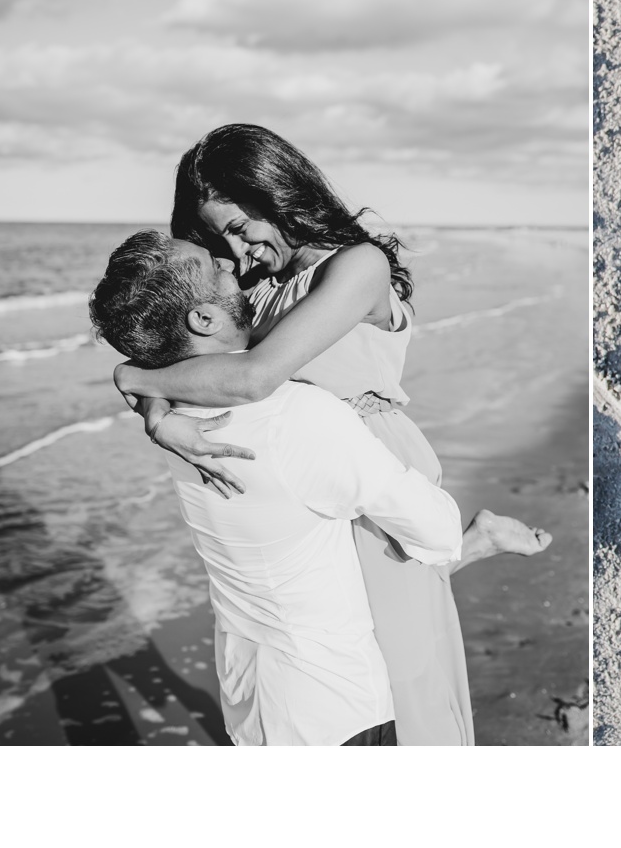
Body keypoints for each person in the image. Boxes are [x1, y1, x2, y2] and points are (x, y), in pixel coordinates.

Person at [111, 123, 549, 745]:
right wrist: (154, 404)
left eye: (239, 228)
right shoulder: (254, 286)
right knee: (347, 624)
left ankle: (465, 544)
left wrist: (137, 383)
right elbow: (193, 362)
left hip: (363, 460)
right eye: (217, 241)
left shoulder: (357, 267)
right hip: (304, 474)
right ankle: (471, 541)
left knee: (398, 666)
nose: (237, 254)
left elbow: (253, 377)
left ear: (277, 191)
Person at [90, 230, 465, 745]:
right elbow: (440, 533)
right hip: (333, 704)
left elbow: (137, 376)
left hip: (249, 698)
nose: (231, 266)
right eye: (213, 267)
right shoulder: (298, 417)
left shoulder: (176, 421)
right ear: (203, 319)